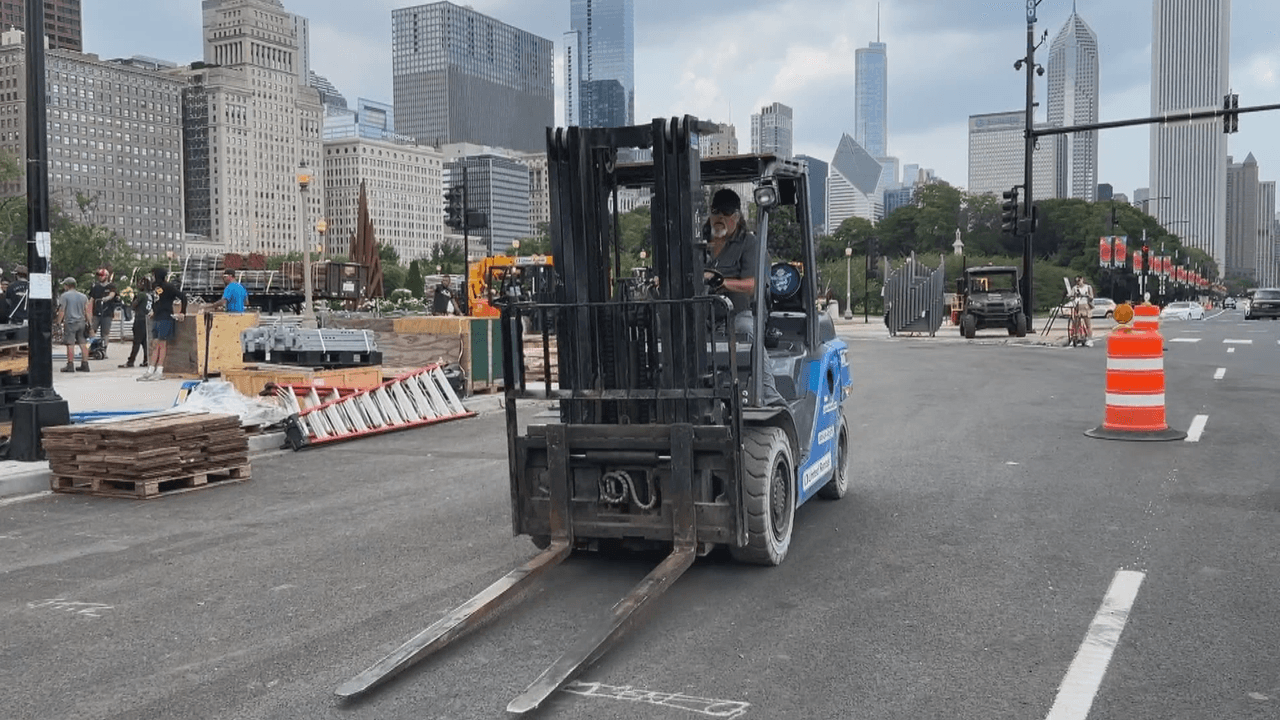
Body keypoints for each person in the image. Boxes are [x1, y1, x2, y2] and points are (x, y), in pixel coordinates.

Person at [702, 188, 760, 339]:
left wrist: (723, 282)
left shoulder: (748, 243)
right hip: (701, 316)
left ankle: (753, 361)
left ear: (736, 217)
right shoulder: (698, 243)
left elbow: (752, 286)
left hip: (737, 315)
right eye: (716, 212)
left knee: (745, 330)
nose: (720, 218)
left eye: (726, 214)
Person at [139, 267, 186, 381]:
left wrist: (182, 312)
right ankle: (151, 369)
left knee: (161, 344)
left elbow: (183, 297)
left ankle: (159, 370)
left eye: (154, 274)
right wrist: (153, 311)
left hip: (166, 317)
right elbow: (157, 301)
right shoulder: (155, 287)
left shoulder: (168, 287)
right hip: (158, 317)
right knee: (155, 344)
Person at [55, 277, 91, 373]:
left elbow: (62, 310)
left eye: (64, 285)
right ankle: (85, 364)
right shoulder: (83, 297)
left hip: (70, 323)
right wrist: (89, 323)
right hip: (81, 323)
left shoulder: (64, 296)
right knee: (83, 344)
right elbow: (87, 311)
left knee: (70, 344)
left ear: (67, 285)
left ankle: (70, 365)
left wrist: (58, 322)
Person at [120, 277, 151, 368]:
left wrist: (131, 301)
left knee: (136, 341)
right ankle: (146, 360)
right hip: (147, 319)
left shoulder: (141, 294)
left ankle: (131, 361)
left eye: (139, 283)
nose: (137, 285)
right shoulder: (150, 295)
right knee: (145, 342)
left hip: (139, 319)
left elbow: (133, 305)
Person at [88, 268, 119, 357]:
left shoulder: (111, 286)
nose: (99, 277)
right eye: (98, 276)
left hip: (107, 312)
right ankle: (90, 347)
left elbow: (112, 295)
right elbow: (91, 299)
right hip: (96, 312)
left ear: (106, 276)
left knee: (105, 332)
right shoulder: (95, 287)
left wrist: (106, 298)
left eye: (101, 275)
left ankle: (104, 349)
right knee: (91, 330)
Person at [1070, 275, 1095, 344]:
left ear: (1082, 280)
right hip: (1078, 306)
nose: (1078, 283)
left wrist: (1087, 296)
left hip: (1086, 306)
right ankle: (1076, 338)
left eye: (1079, 281)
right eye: (1076, 281)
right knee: (1076, 324)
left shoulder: (1088, 287)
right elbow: (1071, 297)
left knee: (1088, 324)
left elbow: (1092, 297)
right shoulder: (1075, 288)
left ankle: (1089, 338)